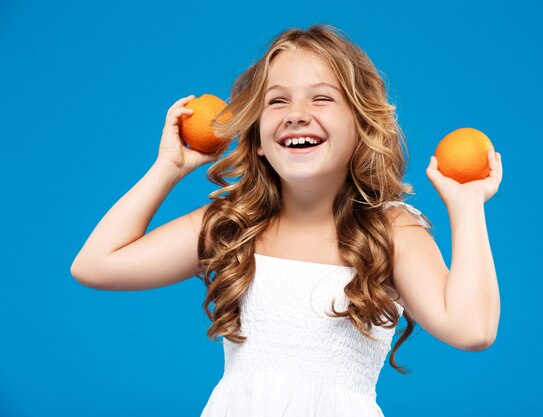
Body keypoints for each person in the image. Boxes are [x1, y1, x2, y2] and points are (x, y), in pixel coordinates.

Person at [71, 24, 503, 417]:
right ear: (256, 137)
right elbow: (95, 265)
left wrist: (467, 207)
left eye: (321, 97)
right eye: (277, 101)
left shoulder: (391, 232)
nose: (296, 113)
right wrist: (167, 167)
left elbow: (472, 329)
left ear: (361, 125)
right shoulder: (234, 225)